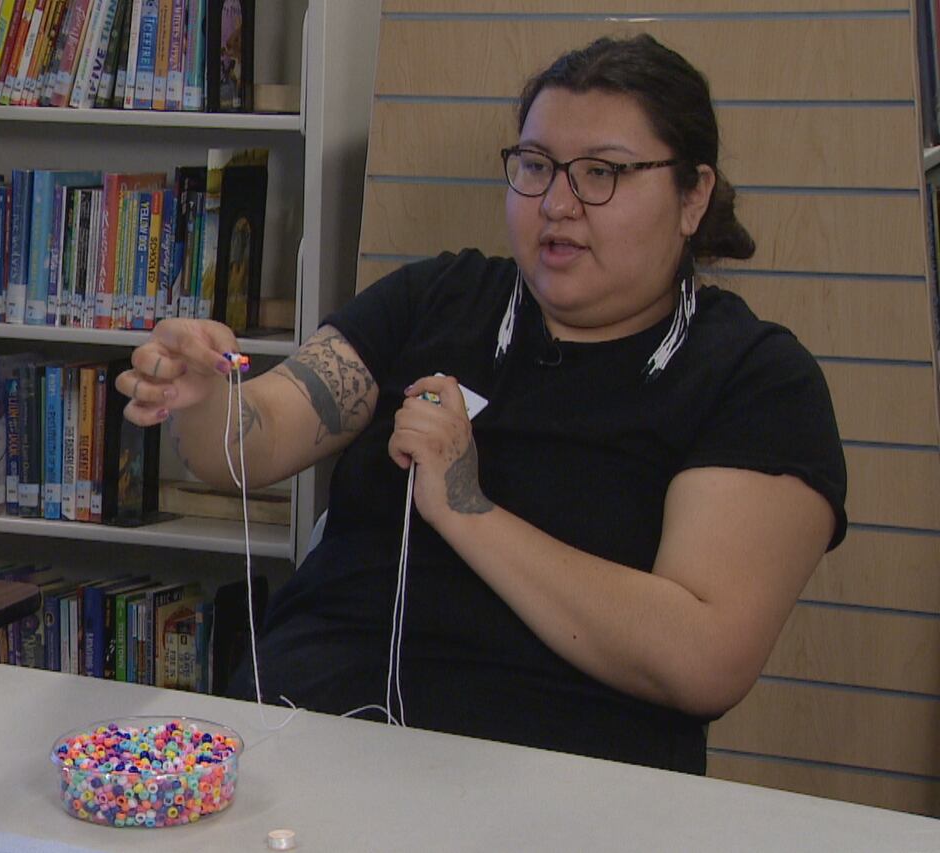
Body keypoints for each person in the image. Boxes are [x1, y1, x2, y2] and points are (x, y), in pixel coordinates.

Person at [117, 34, 847, 775]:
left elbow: (703, 658)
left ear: (692, 196)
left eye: (602, 173)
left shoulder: (754, 378)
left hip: (559, 786)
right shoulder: (437, 298)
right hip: (307, 746)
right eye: (535, 167)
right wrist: (206, 398)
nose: (558, 204)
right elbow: (253, 442)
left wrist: (466, 507)